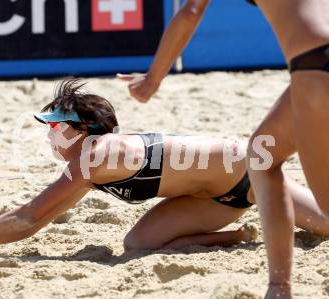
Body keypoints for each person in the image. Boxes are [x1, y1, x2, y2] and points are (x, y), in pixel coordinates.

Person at [0, 80, 329, 266]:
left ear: (84, 131)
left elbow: (30, 218)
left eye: (56, 127)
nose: (50, 136)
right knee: (138, 244)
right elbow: (38, 217)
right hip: (213, 198)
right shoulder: (93, 164)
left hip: (251, 170)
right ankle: (236, 235)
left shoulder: (95, 157)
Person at [118, 1, 329, 297]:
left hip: (316, 65)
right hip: (314, 65)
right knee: (261, 155)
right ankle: (279, 288)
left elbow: (190, 12)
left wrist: (153, 79)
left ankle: (279, 288)